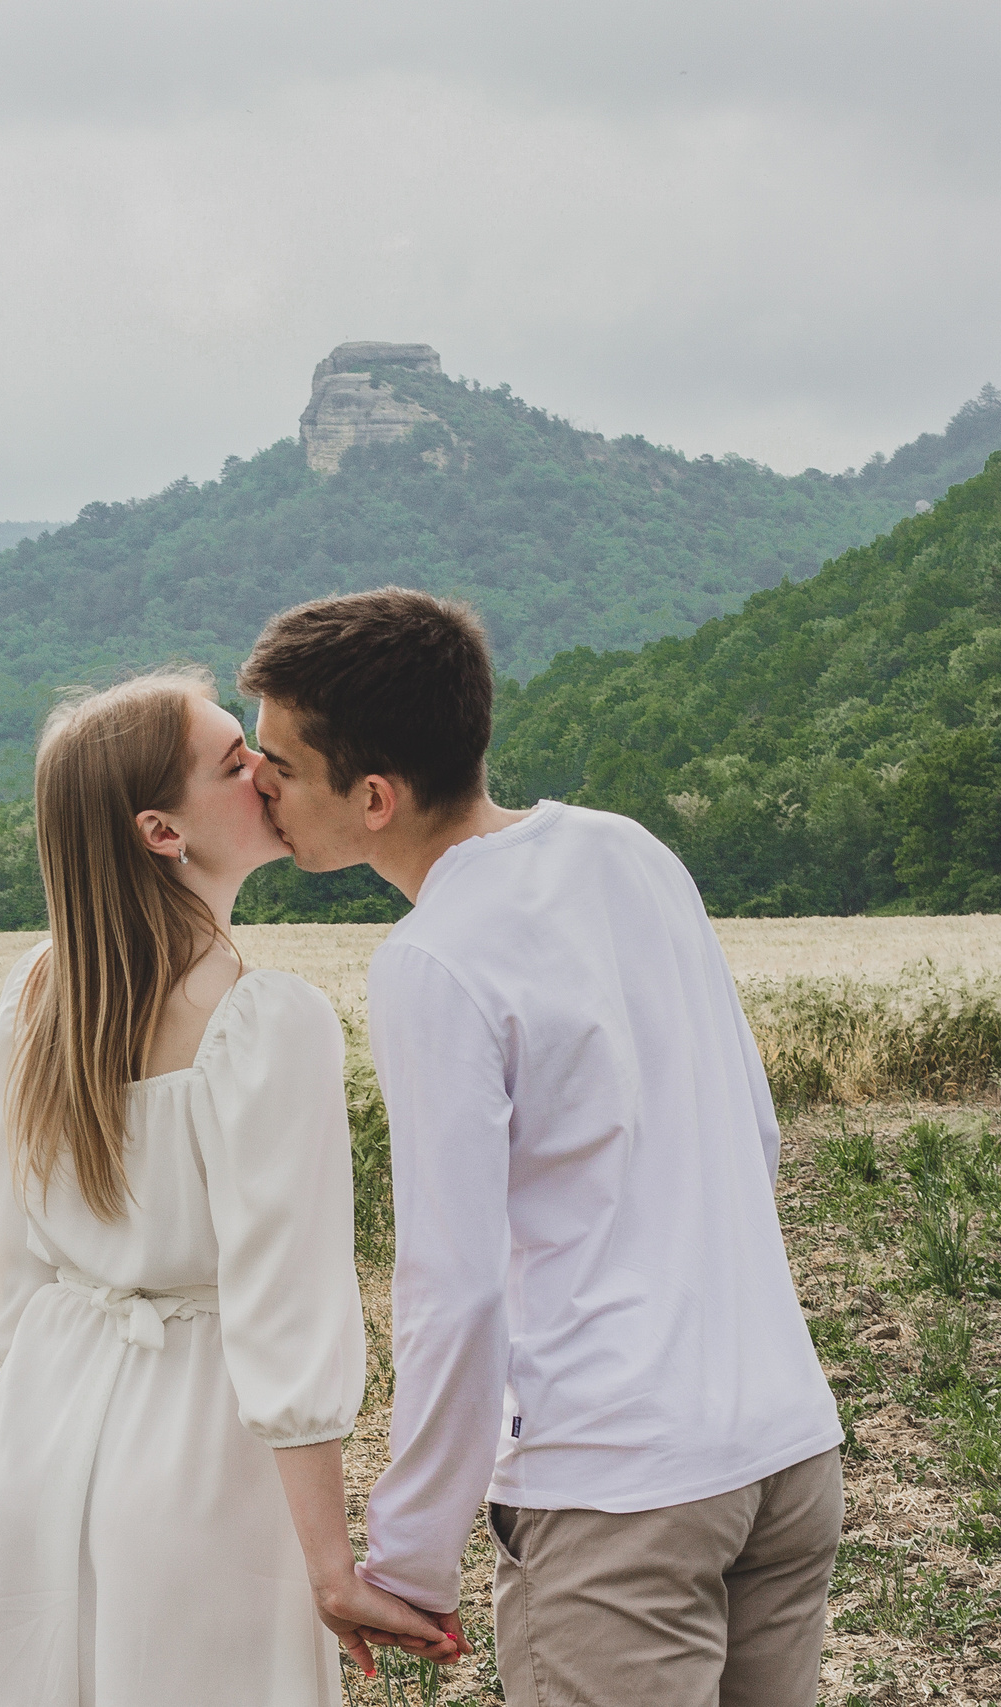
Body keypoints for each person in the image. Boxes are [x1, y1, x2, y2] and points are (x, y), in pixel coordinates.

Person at [241, 591, 845, 1707]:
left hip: (619, 1497)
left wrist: (411, 1557)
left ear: (372, 798)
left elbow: (453, 1289)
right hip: (787, 1451)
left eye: (276, 761)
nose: (255, 782)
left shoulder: (434, 959)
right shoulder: (628, 850)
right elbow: (752, 1131)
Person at [0, 668, 457, 1707]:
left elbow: (9, 1275)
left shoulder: (37, 992)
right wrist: (327, 1565)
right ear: (162, 832)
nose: (265, 770)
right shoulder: (266, 1022)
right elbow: (286, 1309)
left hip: (40, 1438)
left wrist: (69, 1389)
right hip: (200, 1458)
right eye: (232, 762)